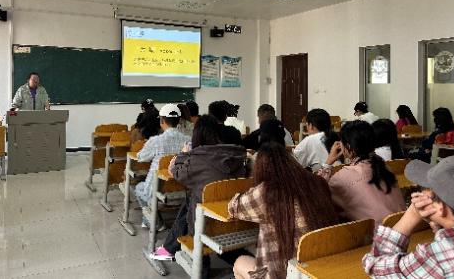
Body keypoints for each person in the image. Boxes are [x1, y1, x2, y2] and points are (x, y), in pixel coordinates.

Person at [229, 142, 339, 279]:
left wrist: (251, 189)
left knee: (239, 262)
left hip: (281, 274)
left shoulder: (265, 192)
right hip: (316, 269)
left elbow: (233, 207)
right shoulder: (316, 183)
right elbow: (321, 178)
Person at [150, 114, 246, 272]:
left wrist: (184, 154)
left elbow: (175, 172)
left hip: (206, 226)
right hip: (236, 221)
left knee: (192, 200)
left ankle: (194, 262)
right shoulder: (237, 155)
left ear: (197, 134)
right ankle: (169, 249)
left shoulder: (197, 159)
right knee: (194, 198)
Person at [363, 156, 454, 278]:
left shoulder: (439, 256)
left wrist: (413, 213)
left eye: (424, 188)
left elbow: (377, 268)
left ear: (440, 208)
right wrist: (440, 227)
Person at [319, 120, 405, 225]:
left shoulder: (341, 178)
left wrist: (328, 162)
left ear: (348, 147)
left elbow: (317, 193)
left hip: (377, 233)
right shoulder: (384, 167)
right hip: (403, 227)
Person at [135, 104, 190, 229]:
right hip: (182, 189)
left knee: (139, 188)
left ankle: (155, 222)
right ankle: (151, 220)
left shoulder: (156, 141)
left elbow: (141, 157)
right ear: (179, 121)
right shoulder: (188, 140)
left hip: (157, 190)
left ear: (161, 121)